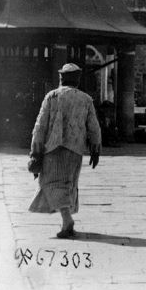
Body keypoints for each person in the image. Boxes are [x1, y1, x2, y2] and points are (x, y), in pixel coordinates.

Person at [29, 63, 102, 238]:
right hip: (76, 149)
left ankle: (67, 219)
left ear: (62, 78)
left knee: (50, 183)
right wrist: (95, 148)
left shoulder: (52, 96)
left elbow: (40, 125)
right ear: (77, 79)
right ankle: (66, 220)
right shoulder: (85, 99)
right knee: (69, 184)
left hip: (53, 148)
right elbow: (94, 127)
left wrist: (35, 150)